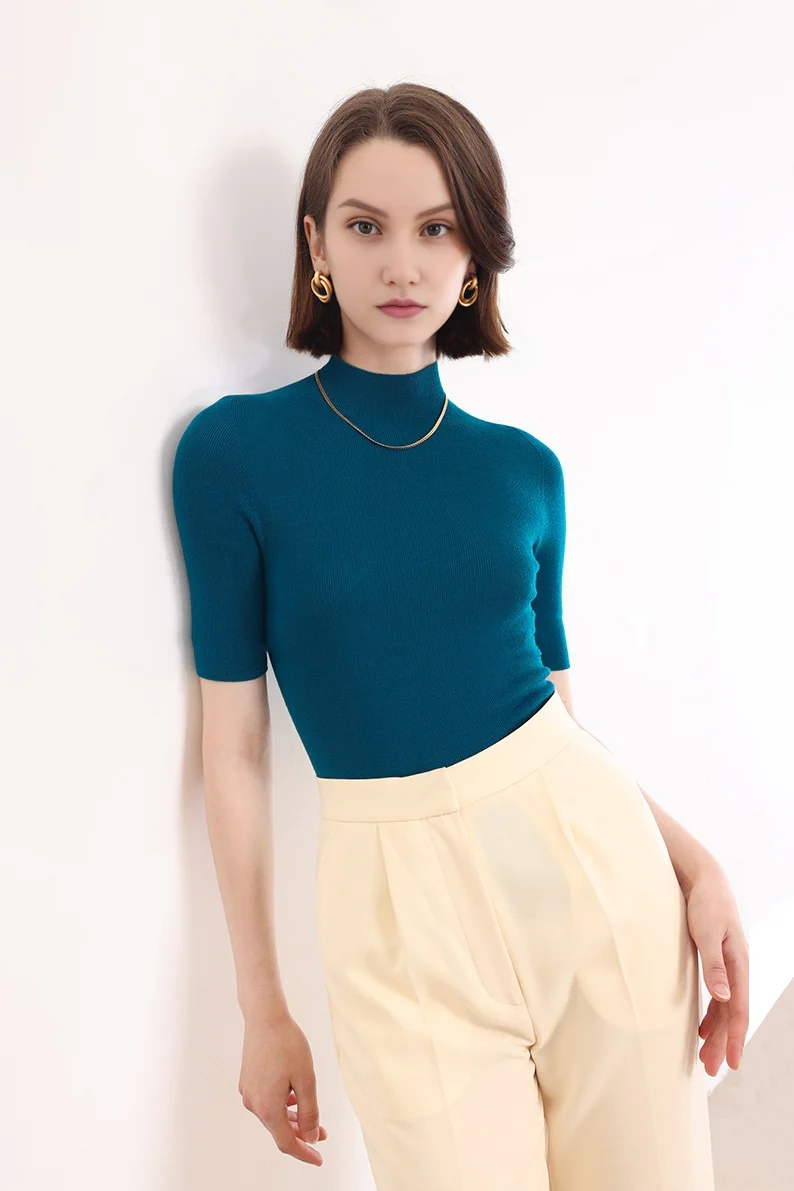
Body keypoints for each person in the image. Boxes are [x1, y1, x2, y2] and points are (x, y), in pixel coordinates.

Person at [172, 82, 748, 1191]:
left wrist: (695, 862)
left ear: (475, 254)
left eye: (436, 229)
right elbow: (233, 748)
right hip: (392, 912)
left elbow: (557, 722)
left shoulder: (524, 472)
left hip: (595, 882)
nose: (403, 263)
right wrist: (263, 1006)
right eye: (366, 226)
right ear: (316, 245)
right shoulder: (234, 456)